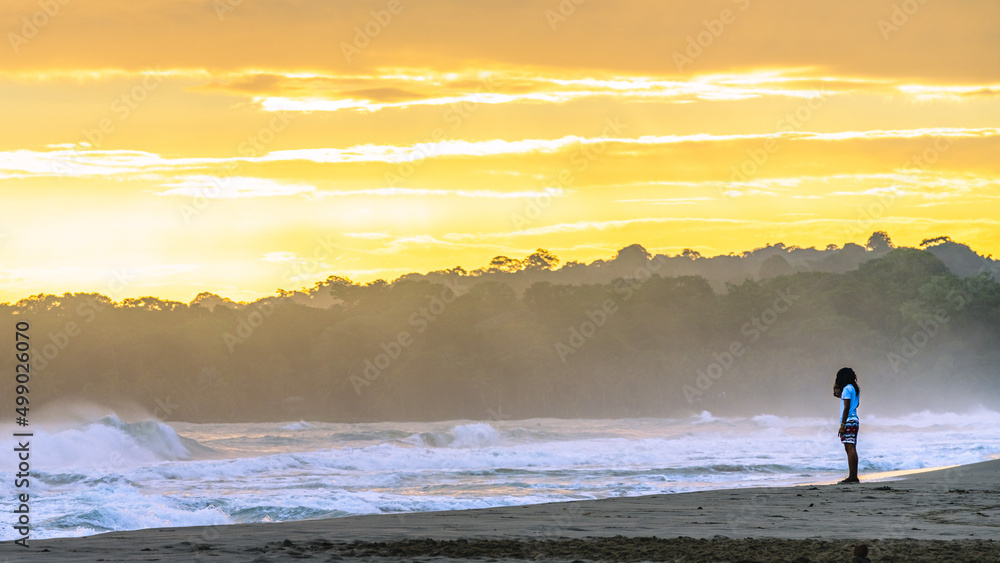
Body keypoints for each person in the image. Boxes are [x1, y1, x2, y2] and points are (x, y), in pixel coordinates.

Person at [833, 367, 861, 484]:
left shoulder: (846, 389)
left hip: (848, 420)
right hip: (854, 420)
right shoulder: (854, 389)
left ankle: (852, 477)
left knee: (850, 448)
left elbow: (846, 408)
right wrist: (836, 390)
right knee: (851, 447)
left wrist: (842, 425)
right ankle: (853, 476)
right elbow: (856, 404)